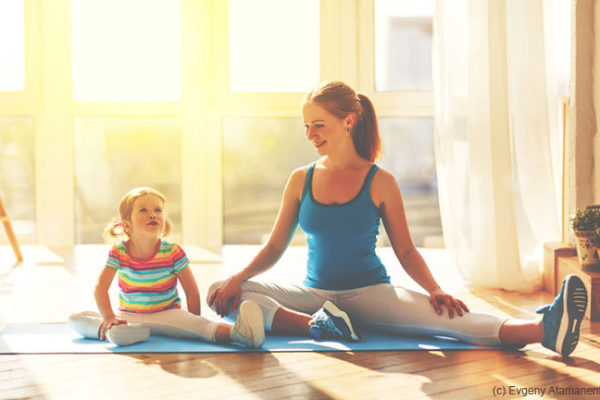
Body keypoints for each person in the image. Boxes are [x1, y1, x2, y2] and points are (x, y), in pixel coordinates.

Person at [208, 80, 588, 357]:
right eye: (305, 125)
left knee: (445, 320)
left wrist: (435, 288)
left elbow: (405, 250)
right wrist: (236, 278)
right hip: (315, 296)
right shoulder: (300, 179)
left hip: (371, 292)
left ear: (349, 121)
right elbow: (275, 246)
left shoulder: (381, 182)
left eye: (318, 124)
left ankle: (543, 329)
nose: (310, 134)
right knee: (228, 292)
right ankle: (320, 326)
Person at [69, 186, 265, 348]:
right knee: (75, 318)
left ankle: (242, 334)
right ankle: (119, 332)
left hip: (167, 313)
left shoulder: (172, 252)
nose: (152, 214)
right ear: (127, 226)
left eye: (158, 210)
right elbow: (100, 288)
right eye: (143, 210)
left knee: (201, 325)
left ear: (163, 222)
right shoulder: (119, 252)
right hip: (129, 315)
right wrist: (110, 317)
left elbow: (191, 290)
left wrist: (193, 322)